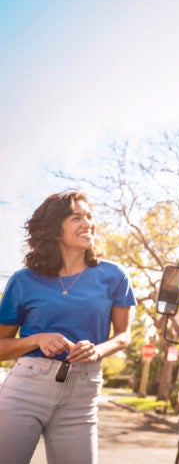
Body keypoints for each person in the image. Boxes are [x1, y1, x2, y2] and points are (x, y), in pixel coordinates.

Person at [0, 190, 136, 464]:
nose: (88, 223)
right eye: (77, 217)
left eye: (89, 216)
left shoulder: (114, 275)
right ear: (54, 229)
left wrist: (97, 351)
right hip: (26, 389)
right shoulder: (23, 281)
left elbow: (124, 336)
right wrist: (38, 339)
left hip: (82, 394)